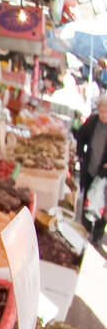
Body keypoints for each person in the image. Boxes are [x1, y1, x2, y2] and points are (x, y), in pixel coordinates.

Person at [75, 94, 107, 243]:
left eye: (106, 112)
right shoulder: (93, 121)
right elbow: (80, 135)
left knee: (102, 206)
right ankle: (84, 234)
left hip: (105, 176)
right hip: (90, 168)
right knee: (86, 200)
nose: (103, 115)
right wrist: (81, 155)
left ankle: (97, 236)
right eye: (101, 111)